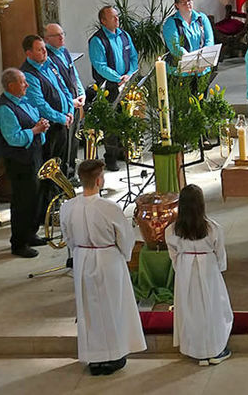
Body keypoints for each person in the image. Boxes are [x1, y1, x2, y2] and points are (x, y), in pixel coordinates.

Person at [60, 159, 146, 376]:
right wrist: (124, 256)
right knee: (112, 307)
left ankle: (94, 358)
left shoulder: (68, 207)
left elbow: (68, 237)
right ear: (99, 180)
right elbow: (125, 238)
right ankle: (114, 355)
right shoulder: (110, 207)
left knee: (89, 310)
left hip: (82, 258)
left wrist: (81, 252)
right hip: (108, 258)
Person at [165, 184, 233, 366]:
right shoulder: (213, 228)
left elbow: (173, 254)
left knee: (190, 308)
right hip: (208, 269)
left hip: (185, 269)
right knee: (212, 307)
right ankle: (215, 350)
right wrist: (216, 269)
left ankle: (196, 351)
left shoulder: (171, 230)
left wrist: (182, 268)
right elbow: (220, 255)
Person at [0, 68, 50, 258]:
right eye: (23, 82)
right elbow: (14, 138)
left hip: (33, 156)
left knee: (35, 198)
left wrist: (41, 126)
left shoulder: (23, 101)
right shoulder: (4, 109)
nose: (27, 85)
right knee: (23, 202)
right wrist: (35, 130)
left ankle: (31, 233)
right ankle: (18, 243)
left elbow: (33, 124)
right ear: (11, 85)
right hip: (19, 161)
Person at [88, 6, 139, 170]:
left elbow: (133, 57)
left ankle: (124, 151)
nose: (117, 19)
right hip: (109, 87)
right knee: (111, 123)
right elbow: (100, 65)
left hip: (126, 82)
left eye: (117, 16)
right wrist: (118, 78)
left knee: (126, 117)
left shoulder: (124, 35)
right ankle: (110, 157)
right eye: (113, 17)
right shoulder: (97, 40)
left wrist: (130, 74)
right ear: (103, 21)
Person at [20, 35, 74, 164]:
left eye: (44, 48)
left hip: (64, 120)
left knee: (64, 162)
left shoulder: (49, 64)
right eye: (39, 50)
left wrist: (70, 110)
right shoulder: (28, 74)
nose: (45, 52)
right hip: (50, 127)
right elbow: (40, 105)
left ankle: (64, 182)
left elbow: (64, 88)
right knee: (52, 165)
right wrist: (62, 118)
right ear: (29, 53)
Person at [44, 23, 85, 178]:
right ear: (47, 39)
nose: (61, 37)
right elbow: (56, 85)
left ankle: (72, 172)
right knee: (64, 144)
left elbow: (74, 74)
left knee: (74, 140)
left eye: (62, 33)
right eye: (56, 35)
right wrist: (71, 101)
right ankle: (63, 177)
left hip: (75, 102)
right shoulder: (48, 57)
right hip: (64, 106)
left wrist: (81, 93)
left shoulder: (65, 52)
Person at [162, 0, 215, 80]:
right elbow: (175, 47)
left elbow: (209, 41)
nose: (187, 4)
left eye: (189, 0)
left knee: (203, 94)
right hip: (180, 73)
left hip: (202, 69)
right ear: (176, 5)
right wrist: (193, 64)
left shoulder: (202, 18)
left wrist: (203, 62)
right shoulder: (170, 23)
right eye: (183, 2)